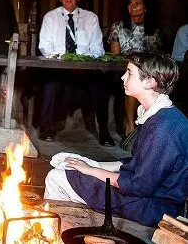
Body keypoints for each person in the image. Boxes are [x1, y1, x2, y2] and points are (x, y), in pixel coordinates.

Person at [44, 52, 188, 228]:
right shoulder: (159, 113)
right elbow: (136, 164)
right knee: (66, 168)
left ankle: (53, 232)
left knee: (57, 177)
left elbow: (138, 185)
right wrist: (92, 163)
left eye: (130, 73)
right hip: (150, 196)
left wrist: (90, 170)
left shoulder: (164, 127)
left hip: (156, 208)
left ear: (150, 82)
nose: (123, 77)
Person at [37, 0, 113, 146]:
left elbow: (98, 49)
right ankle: (46, 128)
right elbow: (44, 46)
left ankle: (104, 132)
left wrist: (83, 63)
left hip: (85, 69)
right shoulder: (51, 17)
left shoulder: (90, 18)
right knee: (50, 83)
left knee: (100, 84)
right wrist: (63, 61)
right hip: (59, 67)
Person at [108, 0, 163, 137]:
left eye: (137, 3)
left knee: (143, 80)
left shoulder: (154, 31)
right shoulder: (118, 27)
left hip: (146, 70)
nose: (133, 6)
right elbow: (115, 55)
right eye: (130, 3)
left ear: (145, 8)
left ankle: (149, 127)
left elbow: (155, 56)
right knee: (133, 80)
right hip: (122, 70)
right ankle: (130, 125)